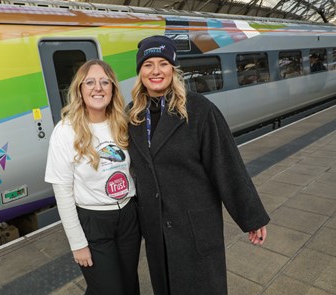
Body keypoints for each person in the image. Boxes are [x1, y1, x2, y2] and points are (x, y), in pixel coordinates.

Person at [127, 35, 270, 295]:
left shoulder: (199, 110)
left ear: (173, 69)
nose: (156, 71)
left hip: (195, 227)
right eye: (148, 65)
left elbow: (227, 165)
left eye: (163, 64)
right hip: (156, 229)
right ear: (140, 72)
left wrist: (251, 217)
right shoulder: (132, 116)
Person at [45, 59, 141, 295]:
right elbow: (63, 191)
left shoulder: (122, 123)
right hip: (93, 221)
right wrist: (78, 244)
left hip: (128, 217)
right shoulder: (66, 131)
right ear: (80, 89)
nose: (97, 87)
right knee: (110, 290)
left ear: (112, 89)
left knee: (128, 284)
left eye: (104, 82)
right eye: (90, 82)